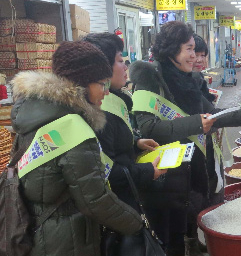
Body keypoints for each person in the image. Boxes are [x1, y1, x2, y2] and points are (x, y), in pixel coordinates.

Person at [129, 21, 241, 256]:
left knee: (189, 231)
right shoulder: (150, 78)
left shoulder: (191, 80)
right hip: (165, 178)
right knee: (170, 243)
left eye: (195, 50)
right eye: (189, 49)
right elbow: (148, 128)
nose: (195, 56)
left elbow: (213, 116)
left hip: (193, 173)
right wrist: (194, 124)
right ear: (172, 50)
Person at [10, 41, 143, 256]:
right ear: (80, 85)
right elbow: (95, 200)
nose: (106, 92)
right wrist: (139, 224)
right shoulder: (74, 129)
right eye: (101, 84)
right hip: (67, 241)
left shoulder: (36, 114)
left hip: (34, 232)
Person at [83, 33, 167, 255]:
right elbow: (107, 171)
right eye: (120, 60)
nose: (125, 66)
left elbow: (113, 149)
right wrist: (149, 170)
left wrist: (135, 143)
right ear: (100, 68)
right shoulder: (99, 113)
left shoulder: (114, 100)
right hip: (117, 210)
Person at [192, 34, 216, 103]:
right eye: (196, 55)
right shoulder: (181, 82)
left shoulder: (199, 77)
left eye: (202, 55)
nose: (199, 60)